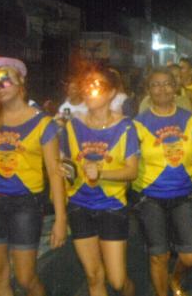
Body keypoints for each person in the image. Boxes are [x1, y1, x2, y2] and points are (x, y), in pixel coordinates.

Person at [0, 56, 67, 296]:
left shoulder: (42, 123)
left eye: (5, 79)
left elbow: (55, 173)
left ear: (21, 81)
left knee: (26, 279)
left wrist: (60, 218)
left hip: (26, 204)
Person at [133, 68, 192, 296]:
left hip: (184, 194)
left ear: (175, 88)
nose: (162, 88)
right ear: (148, 90)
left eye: (167, 83)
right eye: (155, 84)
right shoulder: (138, 123)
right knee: (159, 255)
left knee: (191, 255)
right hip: (150, 196)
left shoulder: (189, 120)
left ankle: (174, 278)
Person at [61, 65, 138, 296]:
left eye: (98, 86)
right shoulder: (72, 124)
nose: (90, 91)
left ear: (112, 92)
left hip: (111, 206)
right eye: (87, 86)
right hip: (79, 205)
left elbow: (132, 171)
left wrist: (101, 173)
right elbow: (65, 161)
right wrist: (64, 167)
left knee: (117, 280)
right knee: (94, 277)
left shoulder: (125, 126)